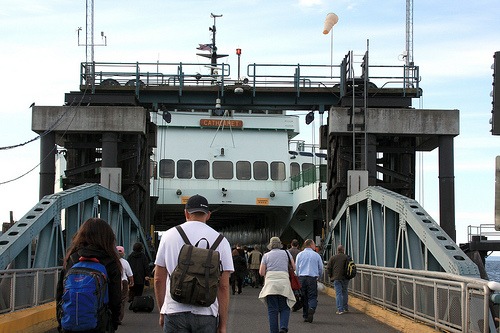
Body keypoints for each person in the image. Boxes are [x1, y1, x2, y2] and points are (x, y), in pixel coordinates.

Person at [154, 194, 234, 333]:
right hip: (207, 313)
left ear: (186, 213)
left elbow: (158, 279)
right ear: (208, 215)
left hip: (174, 311)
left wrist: (162, 310)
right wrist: (223, 324)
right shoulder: (221, 241)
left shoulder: (169, 236)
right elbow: (224, 286)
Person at [56, 217, 122, 332]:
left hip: (69, 324)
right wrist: (113, 323)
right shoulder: (110, 262)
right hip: (99, 325)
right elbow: (115, 298)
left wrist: (61, 321)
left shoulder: (72, 259)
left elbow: (60, 293)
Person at [258, 236, 296, 333]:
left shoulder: (266, 255)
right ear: (280, 244)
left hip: (271, 285)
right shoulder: (286, 253)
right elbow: (294, 267)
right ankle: (283, 327)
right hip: (284, 283)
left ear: (270, 245)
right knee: (285, 307)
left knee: (272, 310)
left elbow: (261, 272)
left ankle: (273, 331)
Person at [295, 239, 323, 323]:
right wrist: (319, 277)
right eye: (314, 244)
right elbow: (321, 268)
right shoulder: (316, 255)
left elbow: (296, 267)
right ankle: (312, 308)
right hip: (312, 278)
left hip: (302, 278)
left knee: (304, 297)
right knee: (312, 296)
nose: (315, 246)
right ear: (311, 245)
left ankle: (305, 316)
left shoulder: (300, 255)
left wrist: (298, 276)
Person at [326, 244, 350, 314]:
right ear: (343, 250)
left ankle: (340, 309)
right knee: (345, 291)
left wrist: (331, 276)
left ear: (337, 250)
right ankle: (345, 308)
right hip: (345, 277)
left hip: (336, 277)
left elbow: (328, 267)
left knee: (338, 293)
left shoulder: (333, 258)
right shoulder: (347, 257)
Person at [117, 246, 134, 324]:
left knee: (113, 299)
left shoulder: (111, 261)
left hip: (115, 282)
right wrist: (132, 282)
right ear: (123, 253)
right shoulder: (125, 262)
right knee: (122, 300)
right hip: (124, 282)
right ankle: (119, 318)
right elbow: (130, 274)